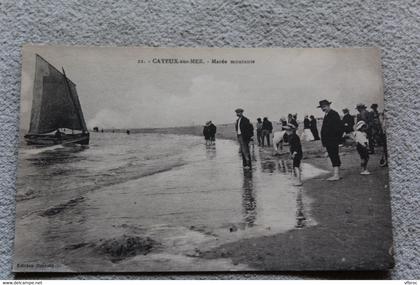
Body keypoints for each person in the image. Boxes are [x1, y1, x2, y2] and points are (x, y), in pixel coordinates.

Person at [318, 99, 344, 181]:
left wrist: (336, 139)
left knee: (334, 155)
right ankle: (336, 174)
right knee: (333, 155)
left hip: (332, 140)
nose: (323, 109)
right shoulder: (327, 114)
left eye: (324, 106)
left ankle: (336, 175)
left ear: (329, 105)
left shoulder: (333, 114)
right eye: (322, 107)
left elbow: (339, 128)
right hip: (329, 140)